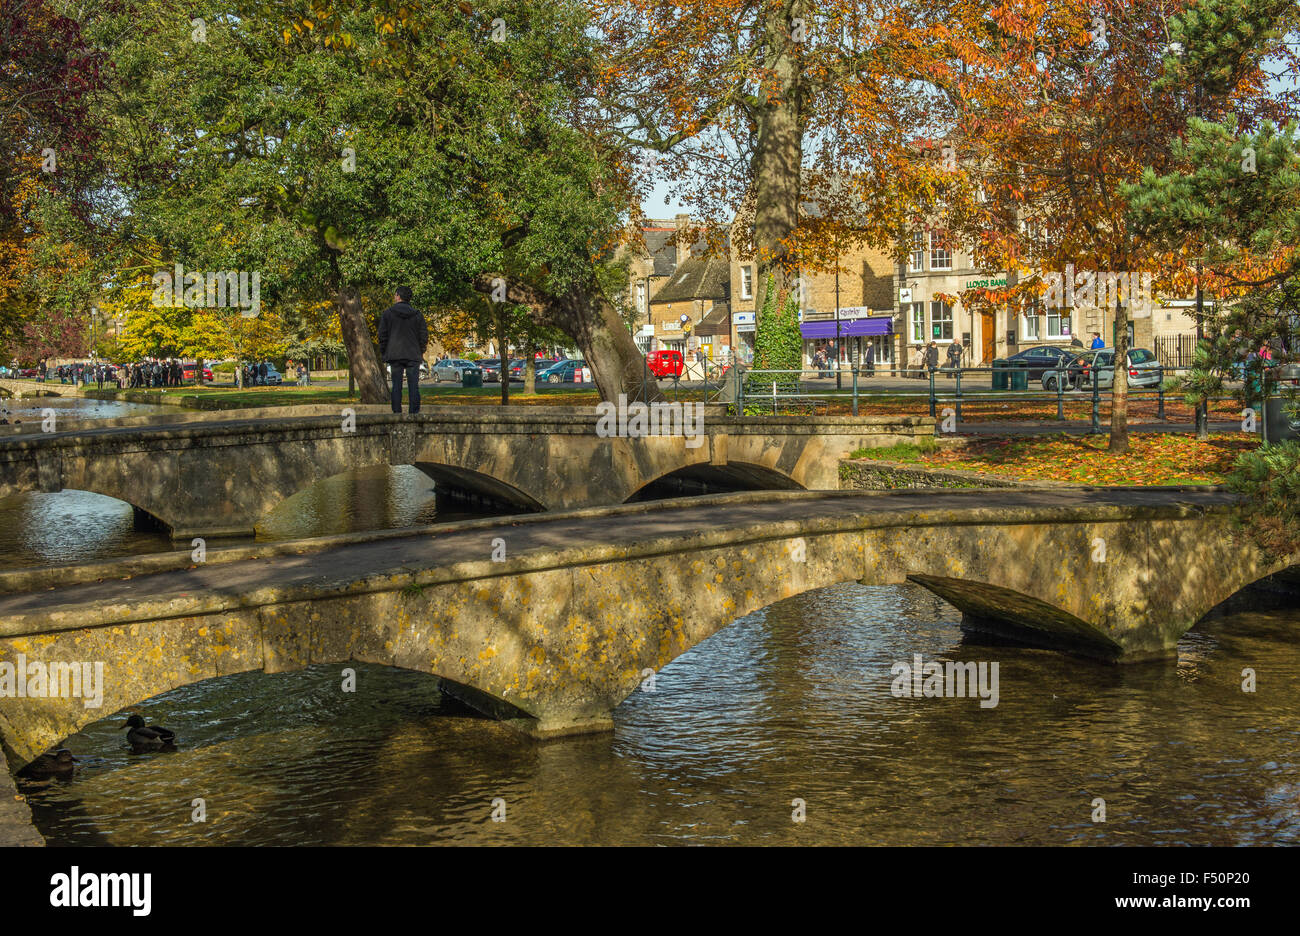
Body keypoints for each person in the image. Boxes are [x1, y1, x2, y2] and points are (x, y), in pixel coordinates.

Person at [378, 285, 429, 414]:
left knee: (396, 386)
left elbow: (382, 336)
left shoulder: (388, 314)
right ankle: (414, 412)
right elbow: (423, 335)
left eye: (395, 295)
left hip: (395, 354)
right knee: (413, 385)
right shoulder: (417, 315)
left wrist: (384, 352)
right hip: (413, 354)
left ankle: (397, 412)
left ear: (398, 296)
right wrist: (421, 350)